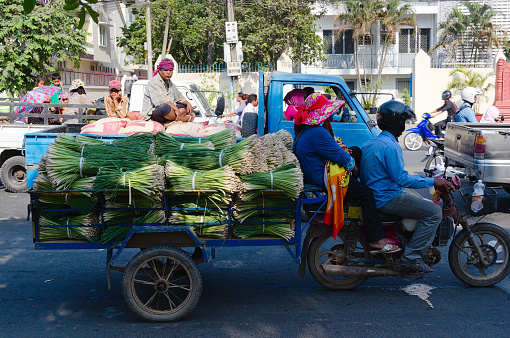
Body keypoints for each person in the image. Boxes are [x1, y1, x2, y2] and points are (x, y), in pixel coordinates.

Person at [294, 93, 401, 253]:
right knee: (366, 194)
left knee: (357, 150)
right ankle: (376, 240)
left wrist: (349, 156)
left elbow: (336, 150)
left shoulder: (307, 130)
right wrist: (354, 168)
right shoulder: (317, 132)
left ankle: (360, 186)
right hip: (324, 177)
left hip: (319, 170)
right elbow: (343, 158)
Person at [359, 101, 454, 273]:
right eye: (403, 120)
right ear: (396, 122)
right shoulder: (390, 146)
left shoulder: (372, 142)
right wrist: (433, 181)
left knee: (423, 203)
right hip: (387, 198)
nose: (404, 124)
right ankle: (410, 259)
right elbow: (402, 179)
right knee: (434, 212)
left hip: (377, 196)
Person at [141, 59, 194, 123]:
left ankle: (174, 118)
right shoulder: (154, 82)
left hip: (169, 113)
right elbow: (162, 101)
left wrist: (188, 103)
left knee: (183, 106)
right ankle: (182, 119)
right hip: (154, 114)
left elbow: (179, 97)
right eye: (166, 70)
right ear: (159, 70)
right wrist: (176, 109)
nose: (168, 72)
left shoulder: (170, 83)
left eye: (170, 70)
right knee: (164, 108)